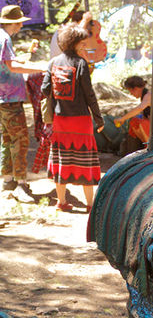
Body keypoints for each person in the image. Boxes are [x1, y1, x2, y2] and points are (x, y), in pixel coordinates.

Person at [41, 23, 104, 212]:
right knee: (85, 160)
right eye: (82, 44)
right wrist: (99, 118)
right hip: (81, 121)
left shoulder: (53, 63)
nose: (85, 47)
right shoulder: (81, 63)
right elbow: (89, 94)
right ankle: (90, 205)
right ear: (74, 43)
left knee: (62, 158)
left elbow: (45, 90)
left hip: (60, 121)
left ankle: (61, 202)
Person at [0, 5, 47, 202]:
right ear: (14, 23)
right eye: (20, 22)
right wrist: (40, 67)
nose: (20, 26)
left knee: (7, 139)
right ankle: (21, 184)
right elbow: (12, 66)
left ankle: (7, 179)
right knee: (20, 141)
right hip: (10, 98)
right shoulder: (5, 38)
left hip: (3, 98)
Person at [114, 76, 151, 144]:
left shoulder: (148, 95)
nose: (131, 94)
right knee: (134, 121)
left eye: (130, 91)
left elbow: (139, 109)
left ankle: (150, 146)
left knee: (140, 123)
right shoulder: (144, 96)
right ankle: (147, 145)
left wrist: (122, 119)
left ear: (136, 89)